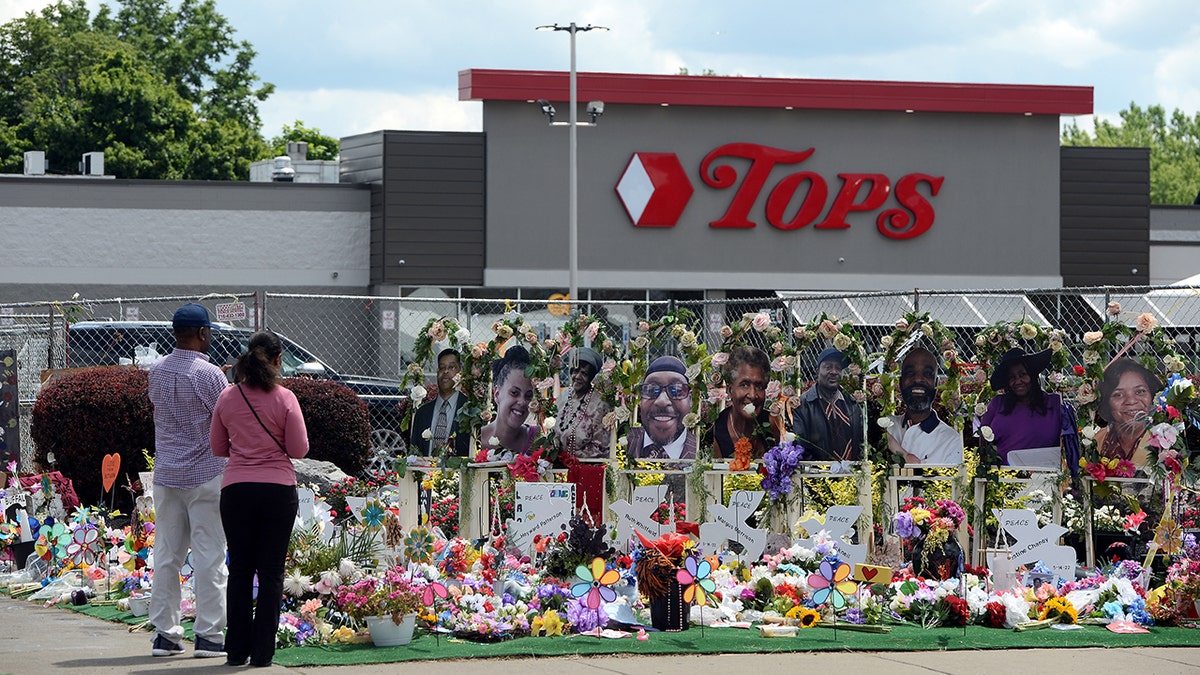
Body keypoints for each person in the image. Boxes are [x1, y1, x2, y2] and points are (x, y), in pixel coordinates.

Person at [210, 330, 309, 667]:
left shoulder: (227, 397)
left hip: (236, 489)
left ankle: (235, 649)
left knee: (239, 570)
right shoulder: (286, 398)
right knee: (271, 573)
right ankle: (263, 654)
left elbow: (218, 448)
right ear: (279, 360)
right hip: (278, 490)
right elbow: (299, 449)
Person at [146, 303, 229, 658]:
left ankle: (166, 635)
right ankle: (208, 636)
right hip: (206, 474)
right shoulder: (209, 375)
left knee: (167, 554)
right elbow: (225, 418)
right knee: (210, 556)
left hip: (166, 474)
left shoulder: (157, 371)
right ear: (203, 333)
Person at [980, 348, 1063, 466]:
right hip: (1004, 476)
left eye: (1022, 375)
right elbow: (983, 441)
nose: (1018, 381)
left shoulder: (1053, 403)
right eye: (1011, 377)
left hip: (1045, 477)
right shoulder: (997, 403)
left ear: (1033, 376)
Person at [886, 347, 963, 465]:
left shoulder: (949, 439)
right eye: (910, 373)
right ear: (900, 383)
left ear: (936, 383)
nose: (917, 379)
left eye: (927, 374)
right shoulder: (888, 425)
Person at [791, 347, 865, 462]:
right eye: (828, 367)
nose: (834, 372)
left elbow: (861, 441)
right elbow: (802, 445)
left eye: (838, 368)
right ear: (817, 372)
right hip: (818, 475)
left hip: (852, 474)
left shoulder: (853, 403)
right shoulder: (803, 405)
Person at [711, 346, 778, 459]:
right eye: (744, 385)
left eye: (759, 386)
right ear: (730, 390)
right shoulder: (716, 431)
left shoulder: (773, 425)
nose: (752, 395)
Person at [1095, 358, 1163, 467]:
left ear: (1153, 396)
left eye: (1140, 391)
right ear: (1106, 401)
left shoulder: (1166, 441)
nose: (1131, 401)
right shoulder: (1097, 441)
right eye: (1118, 394)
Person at [629, 355, 698, 460]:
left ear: (690, 399)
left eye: (676, 390)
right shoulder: (619, 444)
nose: (662, 401)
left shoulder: (702, 450)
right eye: (652, 390)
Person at [409, 348, 470, 456]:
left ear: (460, 372)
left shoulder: (470, 410)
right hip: (426, 472)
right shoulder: (422, 413)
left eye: (451, 367)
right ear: (437, 373)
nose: (446, 371)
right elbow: (414, 453)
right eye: (442, 368)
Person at [554, 347, 612, 459]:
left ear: (591, 377)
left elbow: (600, 448)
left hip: (584, 467)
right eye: (575, 371)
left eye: (584, 373)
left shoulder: (600, 404)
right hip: (557, 464)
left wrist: (568, 458)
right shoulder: (563, 396)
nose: (577, 377)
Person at [480, 345, 537, 456]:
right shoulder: (477, 439)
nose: (522, 402)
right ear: (497, 394)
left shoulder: (536, 439)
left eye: (528, 396)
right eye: (514, 393)